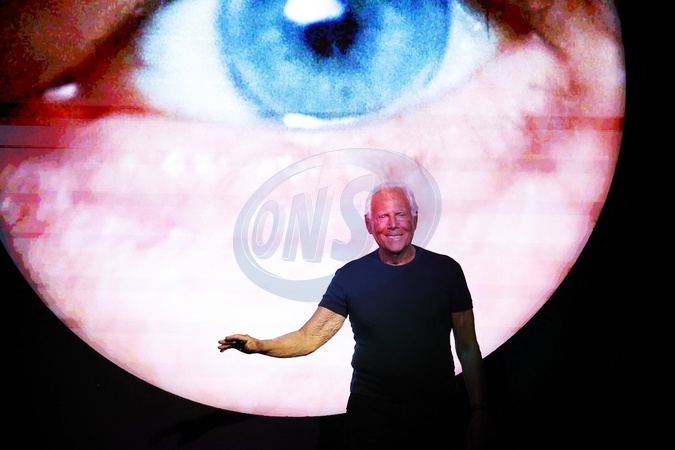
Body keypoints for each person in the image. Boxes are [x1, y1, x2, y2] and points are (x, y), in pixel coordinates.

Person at [218, 181, 488, 449]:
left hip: (437, 415)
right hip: (372, 419)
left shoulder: (446, 271)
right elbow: (308, 338)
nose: (393, 224)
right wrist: (260, 346)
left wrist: (478, 410)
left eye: (400, 214)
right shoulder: (350, 278)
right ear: (369, 225)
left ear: (415, 219)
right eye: (383, 217)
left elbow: (467, 347)